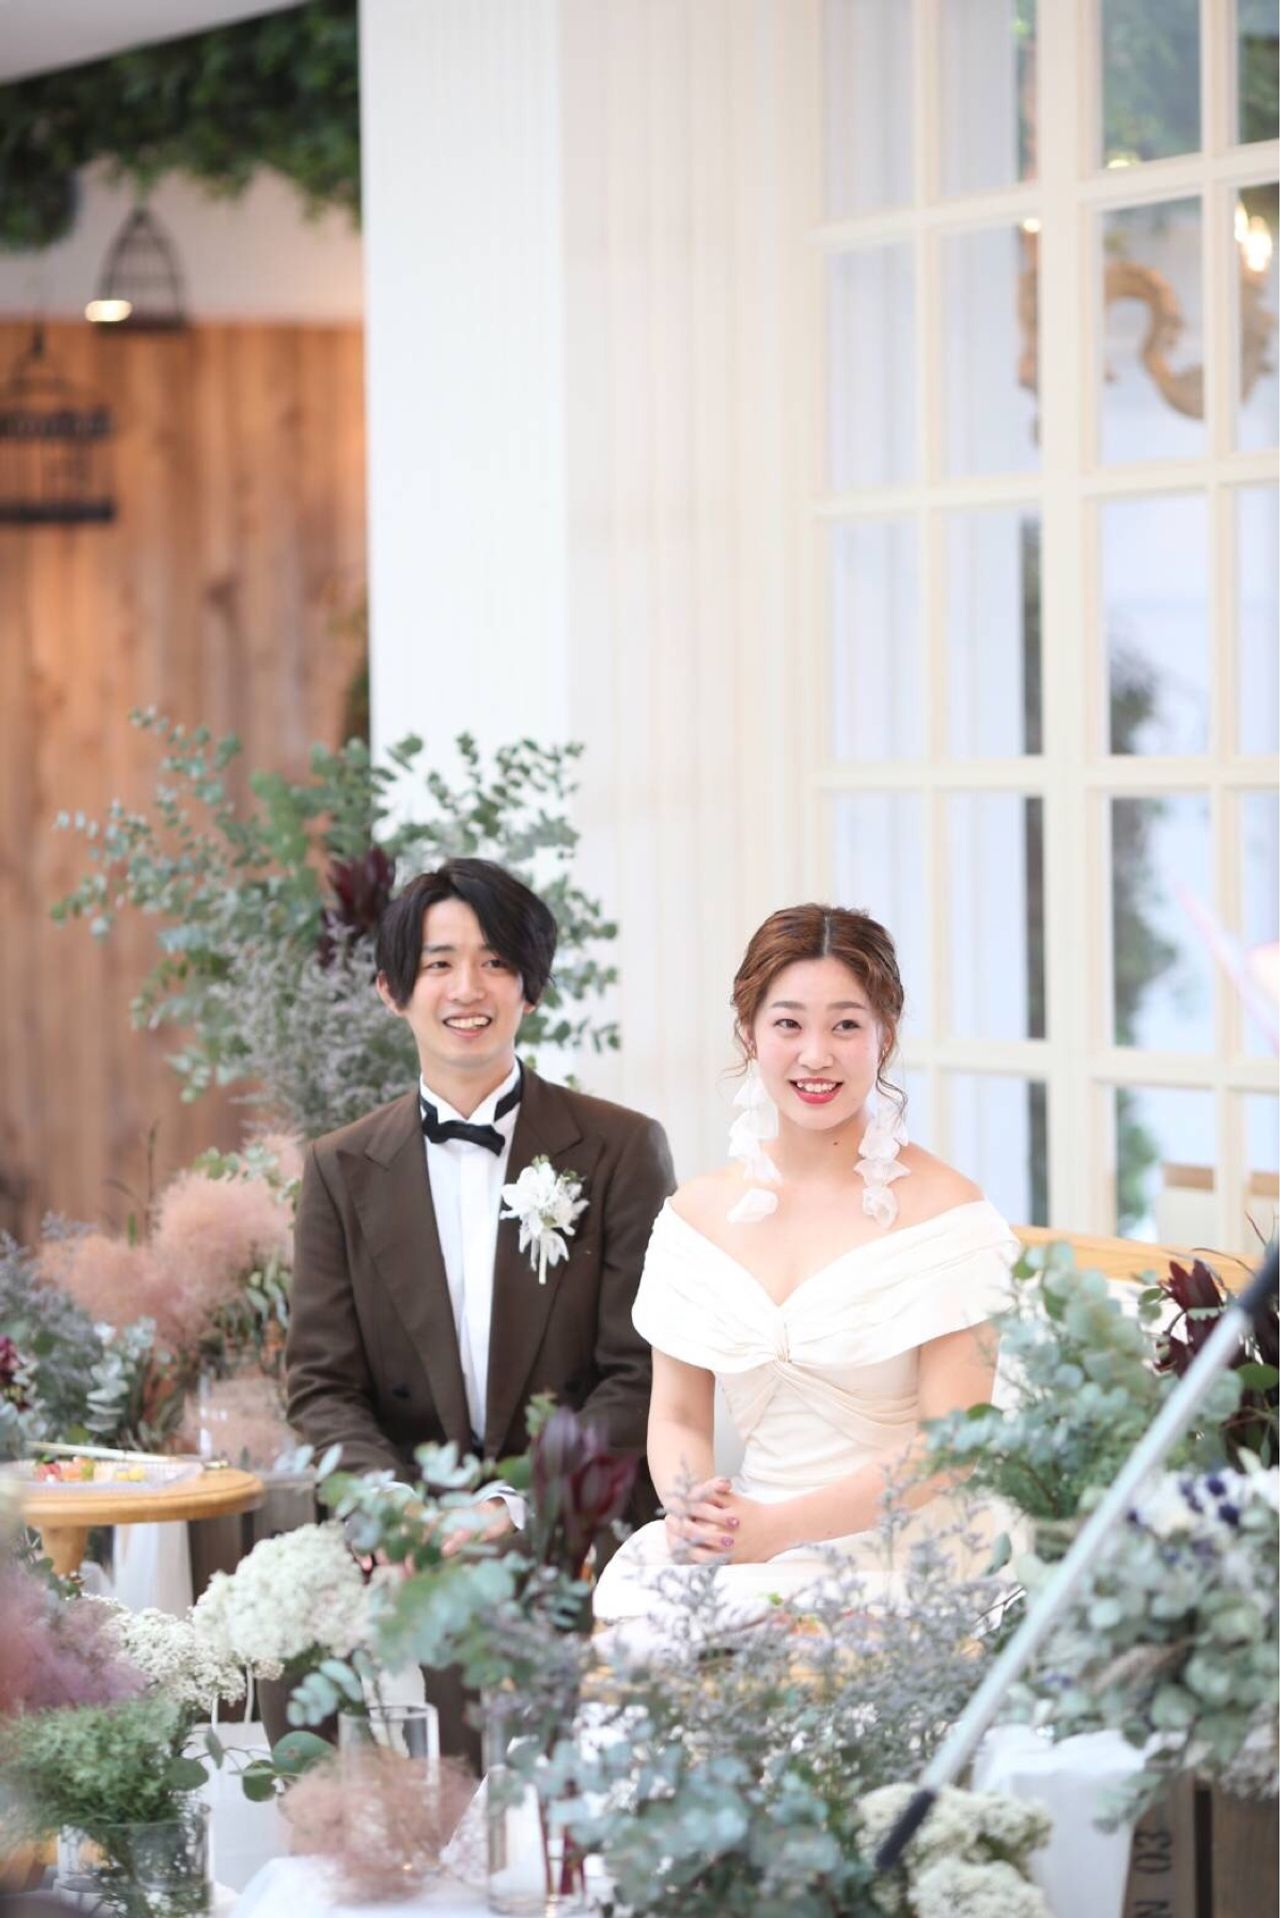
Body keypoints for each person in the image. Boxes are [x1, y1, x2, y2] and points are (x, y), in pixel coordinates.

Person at [286, 856, 675, 1751]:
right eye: (439, 964)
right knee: (291, 1639)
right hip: (400, 1517)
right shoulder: (340, 1167)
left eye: (497, 962)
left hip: (563, 1518)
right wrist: (386, 1505)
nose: (469, 988)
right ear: (392, 991)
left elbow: (638, 1374)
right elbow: (321, 1384)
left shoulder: (620, 1150)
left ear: (530, 988)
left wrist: (511, 1506)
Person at [593, 902, 1017, 1626]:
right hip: (746, 1544)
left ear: (885, 1036)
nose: (815, 1055)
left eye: (845, 1025)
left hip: (902, 1560)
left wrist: (778, 1531)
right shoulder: (695, 1218)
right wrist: (697, 1511)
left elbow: (950, 1450)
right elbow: (678, 1414)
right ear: (749, 1033)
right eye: (788, 1024)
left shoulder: (950, 1215)